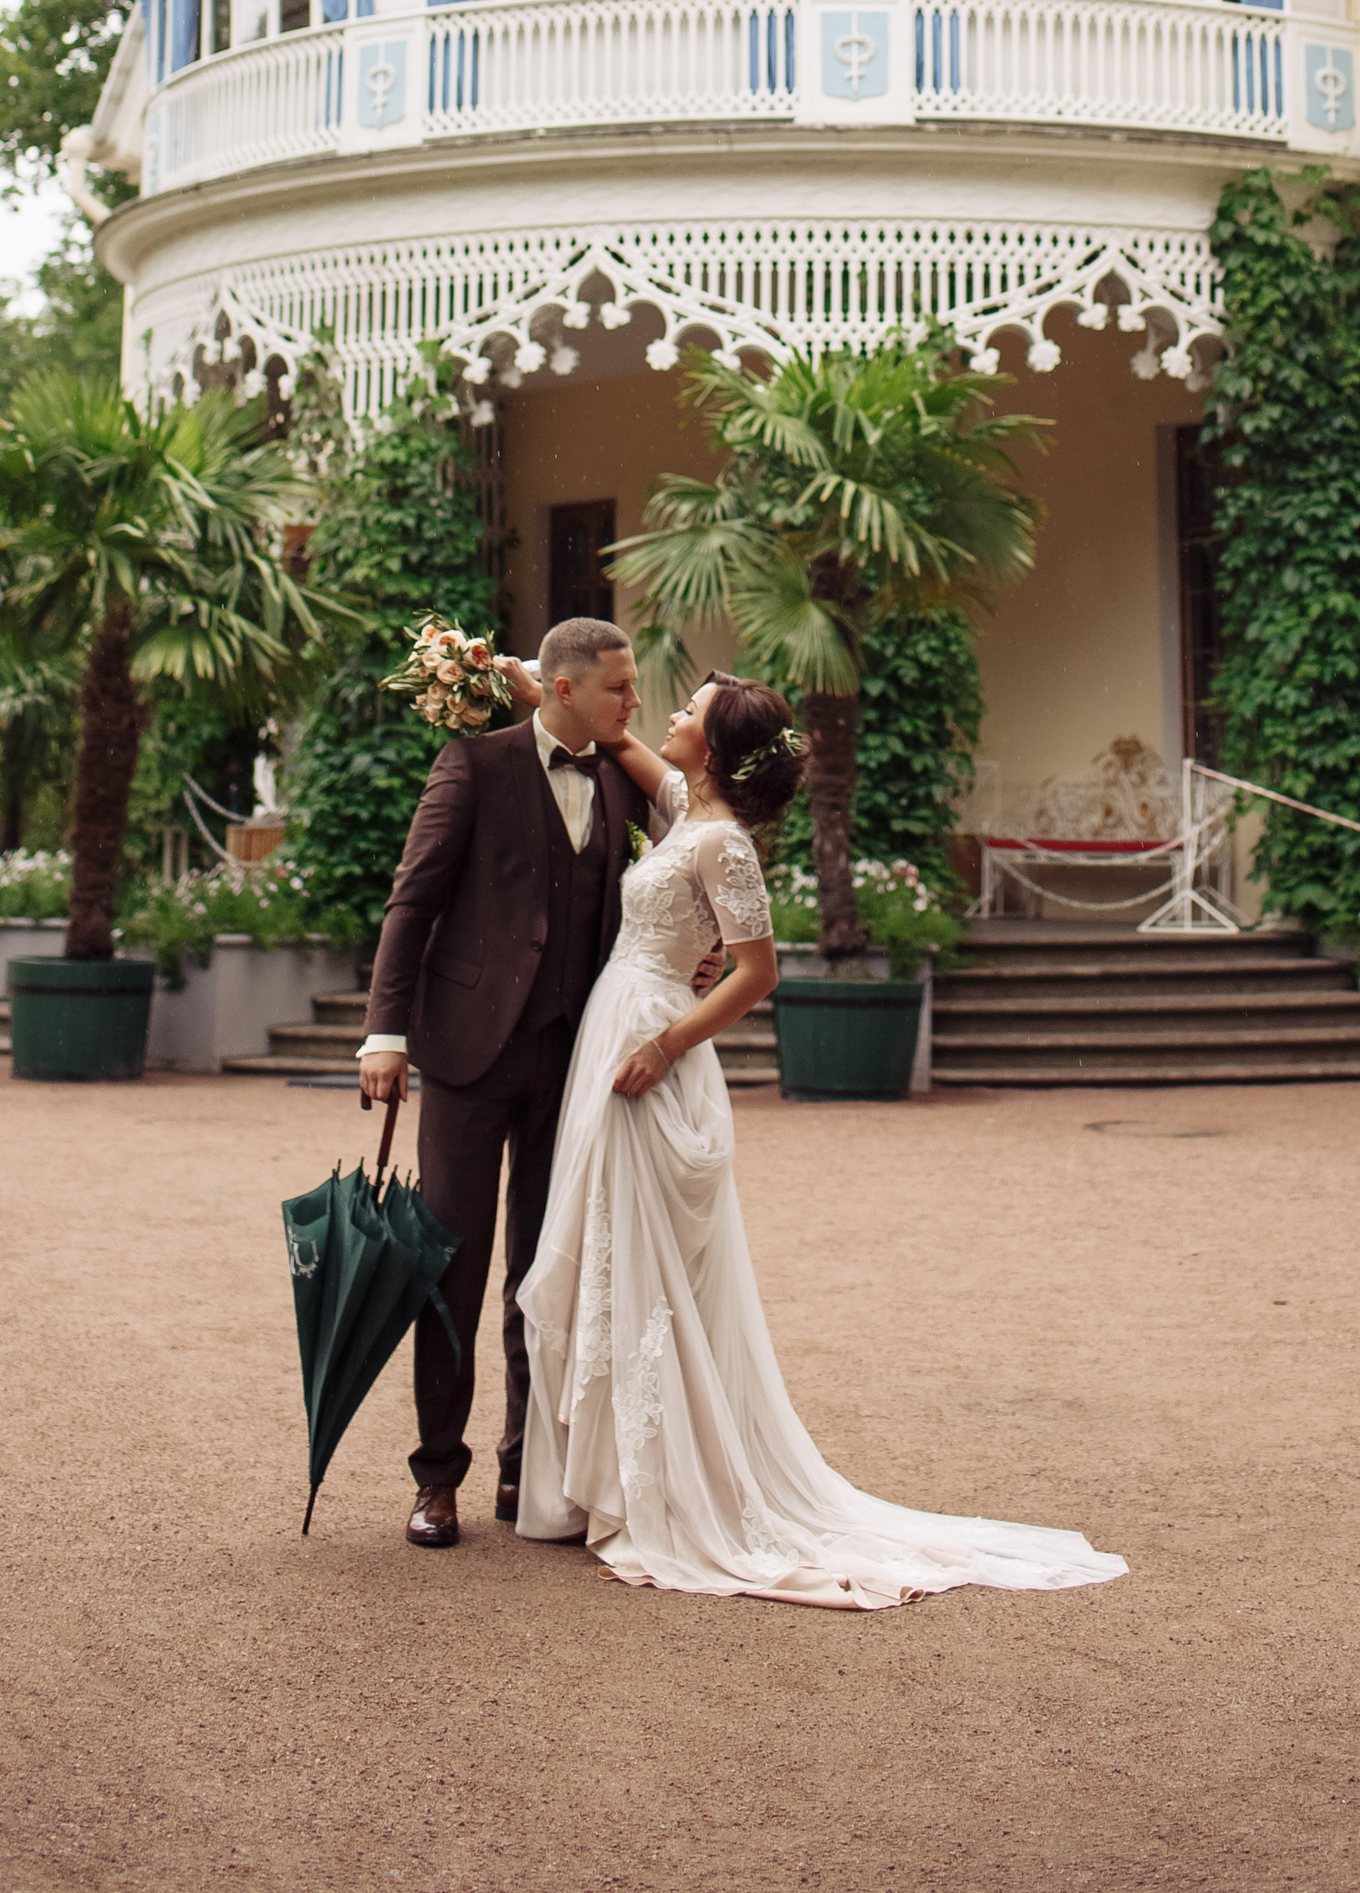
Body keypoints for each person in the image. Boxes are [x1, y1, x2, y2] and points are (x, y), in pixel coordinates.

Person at [512, 667, 1128, 1607]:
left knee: (645, 1261)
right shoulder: (686, 806)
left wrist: (668, 1042)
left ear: (713, 747)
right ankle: (601, 1483)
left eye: (690, 711)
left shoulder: (725, 846)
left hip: (651, 1044)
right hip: (620, 1021)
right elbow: (622, 745)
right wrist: (523, 680)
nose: (669, 715)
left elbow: (757, 973)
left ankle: (665, 1487)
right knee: (606, 1248)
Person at [355, 615, 710, 1551]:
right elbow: (413, 899)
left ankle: (528, 1468)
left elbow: (683, 876)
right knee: (452, 1270)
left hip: (575, 1059)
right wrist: (383, 1034)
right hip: (469, 1056)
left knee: (549, 1270)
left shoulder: (622, 783)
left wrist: (697, 962)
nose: (634, 705)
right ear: (561, 689)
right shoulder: (471, 767)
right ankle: (437, 1479)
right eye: (619, 689)